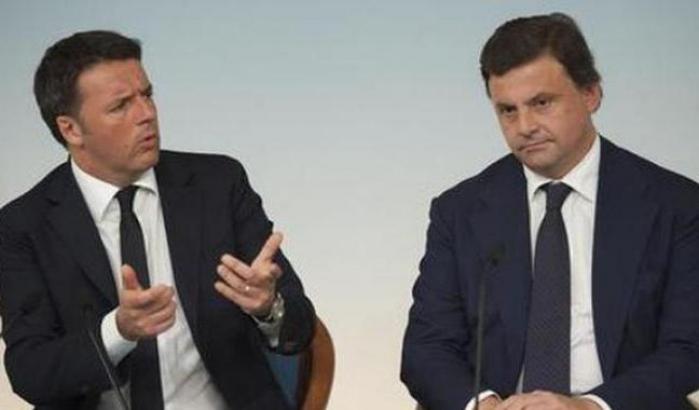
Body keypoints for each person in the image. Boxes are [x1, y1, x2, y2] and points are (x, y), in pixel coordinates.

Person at [0, 30, 315, 410]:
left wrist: (268, 307)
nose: (146, 114)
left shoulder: (217, 185)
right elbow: (31, 372)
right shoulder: (23, 226)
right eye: (121, 106)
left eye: (147, 95)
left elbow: (299, 327)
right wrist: (118, 331)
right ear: (71, 129)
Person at [401, 12, 699, 410]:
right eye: (507, 110)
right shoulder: (459, 212)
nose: (524, 126)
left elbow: (688, 347)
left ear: (591, 94)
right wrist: (485, 405)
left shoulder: (676, 205)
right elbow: (426, 349)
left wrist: (588, 406)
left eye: (541, 103)